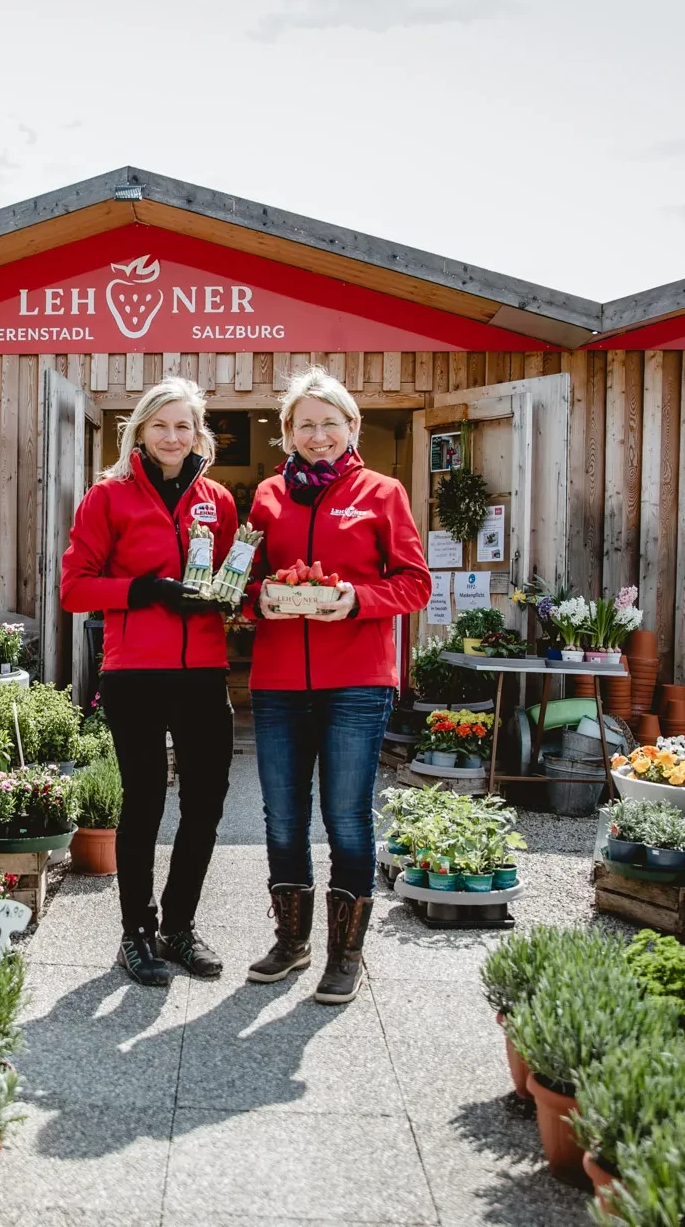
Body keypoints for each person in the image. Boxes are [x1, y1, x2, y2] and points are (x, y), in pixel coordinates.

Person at [243, 367, 432, 1004]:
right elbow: (243, 580)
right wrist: (257, 601)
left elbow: (414, 584)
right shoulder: (268, 496)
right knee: (282, 819)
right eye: (305, 424)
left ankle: (344, 954)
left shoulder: (383, 492)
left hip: (356, 680)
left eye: (330, 423)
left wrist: (354, 598)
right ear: (288, 433)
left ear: (351, 427)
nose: (318, 435)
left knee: (347, 818)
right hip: (276, 681)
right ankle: (292, 941)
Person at [59, 376, 238, 986]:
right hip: (135, 672)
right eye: (160, 425)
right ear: (139, 430)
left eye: (183, 425)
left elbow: (227, 580)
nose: (171, 436)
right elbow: (75, 587)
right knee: (144, 804)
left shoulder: (218, 499)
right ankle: (136, 931)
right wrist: (144, 590)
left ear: (198, 434)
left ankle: (179, 927)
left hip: (203, 672)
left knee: (206, 805)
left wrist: (219, 602)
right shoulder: (107, 498)